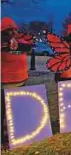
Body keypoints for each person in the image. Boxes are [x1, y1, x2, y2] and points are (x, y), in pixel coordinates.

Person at [1, 17, 32, 145]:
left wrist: (15, 44)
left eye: (15, 29)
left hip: (21, 82)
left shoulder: (21, 42)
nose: (13, 32)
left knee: (16, 112)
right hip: (3, 84)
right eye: (9, 30)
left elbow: (28, 46)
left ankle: (17, 134)